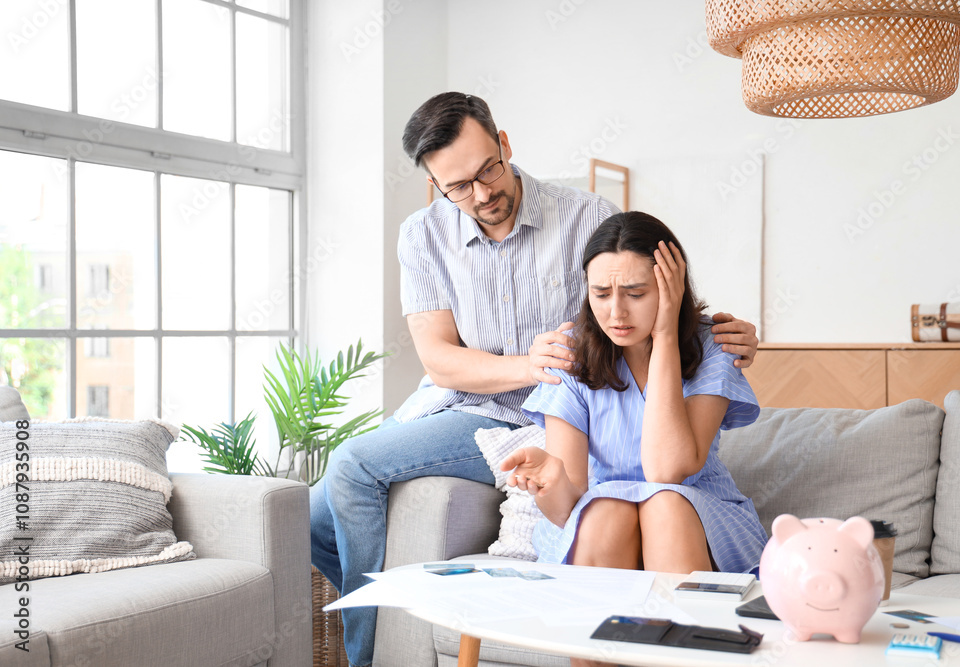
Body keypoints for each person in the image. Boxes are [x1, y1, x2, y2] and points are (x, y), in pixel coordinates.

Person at [309, 93, 761, 667]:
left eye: (488, 171)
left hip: (553, 406)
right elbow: (441, 361)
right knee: (316, 512)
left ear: (504, 144)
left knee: (656, 504)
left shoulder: (584, 215)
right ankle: (373, 646)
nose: (480, 194)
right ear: (434, 185)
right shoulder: (423, 235)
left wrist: (695, 326)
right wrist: (533, 367)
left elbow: (632, 269)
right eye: (457, 187)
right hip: (482, 401)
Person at [502, 211, 767, 588]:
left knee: (665, 504)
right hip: (601, 520)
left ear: (671, 288)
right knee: (606, 508)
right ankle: (600, 648)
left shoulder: (714, 346)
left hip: (695, 509)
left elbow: (666, 471)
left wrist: (664, 335)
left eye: (636, 294)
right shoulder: (569, 353)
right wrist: (551, 480)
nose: (616, 313)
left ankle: (683, 642)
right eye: (602, 294)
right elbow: (566, 508)